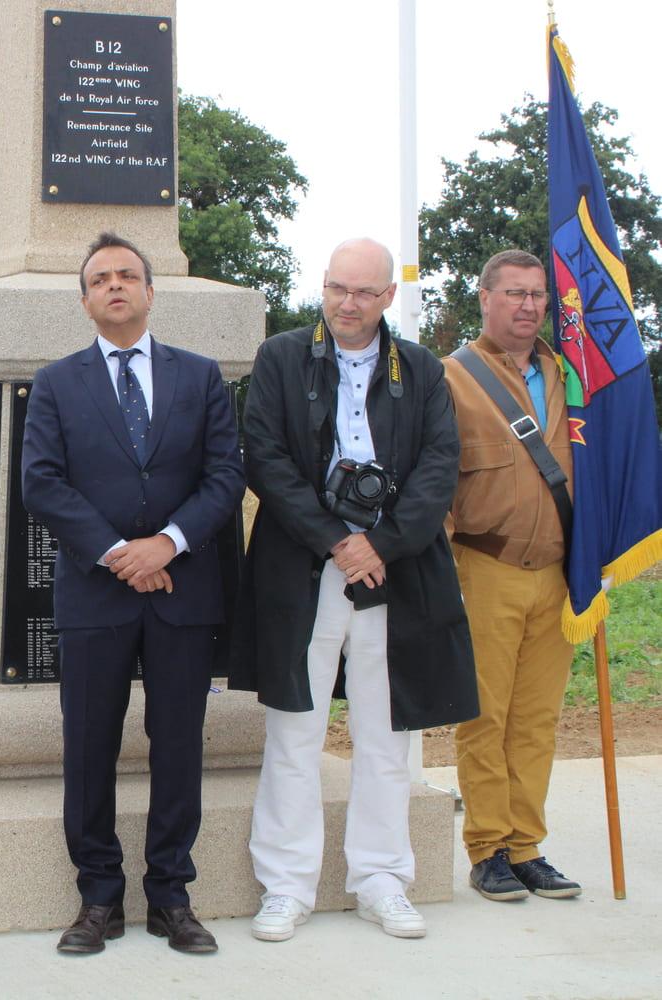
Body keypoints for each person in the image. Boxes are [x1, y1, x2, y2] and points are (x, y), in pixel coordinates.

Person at [230, 237, 478, 943]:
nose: (347, 303)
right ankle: (286, 884)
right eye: (337, 287)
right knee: (294, 731)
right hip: (303, 567)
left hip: (392, 572)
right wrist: (335, 538)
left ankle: (381, 879)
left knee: (384, 734)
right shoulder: (282, 357)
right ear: (324, 286)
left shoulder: (424, 371)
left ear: (388, 297)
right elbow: (265, 457)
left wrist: (382, 542)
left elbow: (439, 465)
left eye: (364, 292)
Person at [21, 232, 245, 957]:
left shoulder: (201, 376)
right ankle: (98, 899)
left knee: (178, 746)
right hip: (96, 594)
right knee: (89, 747)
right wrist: (120, 554)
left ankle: (171, 898)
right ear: (84, 300)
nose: (115, 286)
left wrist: (167, 544)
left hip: (183, 591)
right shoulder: (55, 383)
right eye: (100, 279)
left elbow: (224, 478)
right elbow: (42, 483)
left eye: (127, 275)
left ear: (150, 292)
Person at [443, 249, 581, 902]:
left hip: (560, 573)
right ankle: (488, 849)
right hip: (485, 567)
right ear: (485, 298)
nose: (528, 306)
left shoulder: (573, 377)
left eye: (537, 297)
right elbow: (436, 483)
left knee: (536, 719)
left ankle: (526, 847)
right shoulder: (452, 379)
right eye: (515, 294)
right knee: (485, 717)